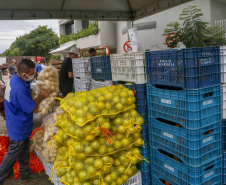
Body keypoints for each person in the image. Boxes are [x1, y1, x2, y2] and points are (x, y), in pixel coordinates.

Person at [0, 59, 51, 185]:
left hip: (18, 121)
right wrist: (41, 96)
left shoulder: (16, 79)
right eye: (33, 73)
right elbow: (32, 108)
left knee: (24, 150)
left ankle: (24, 174)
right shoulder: (18, 89)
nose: (34, 75)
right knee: (13, 153)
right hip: (18, 125)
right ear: (24, 74)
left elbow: (26, 95)